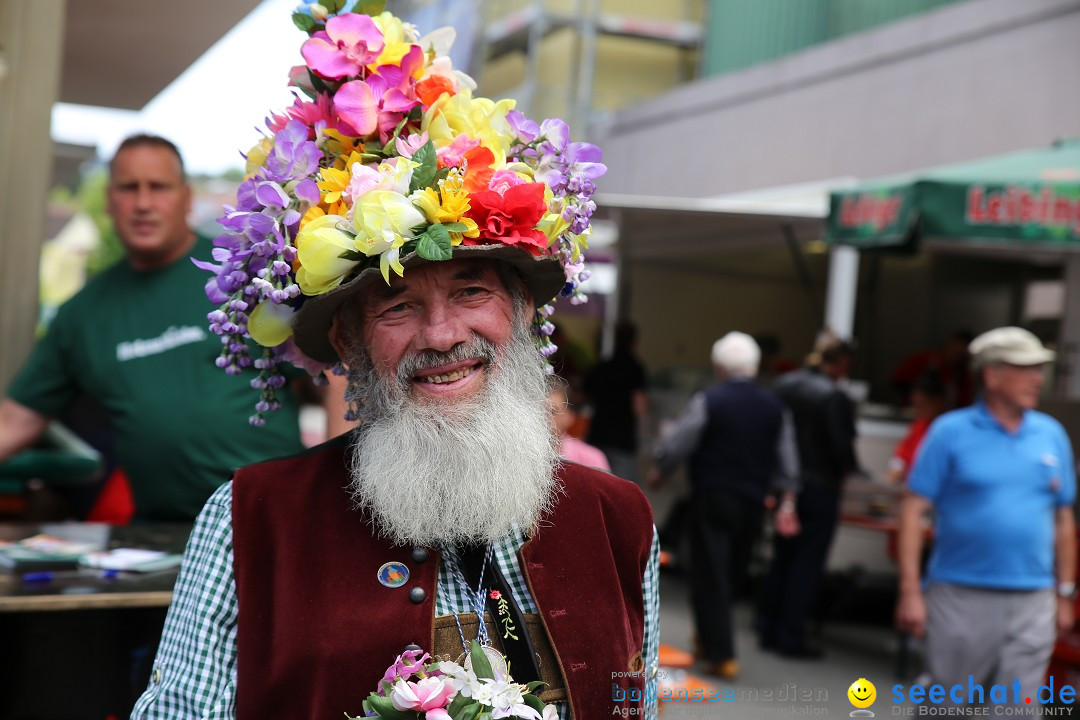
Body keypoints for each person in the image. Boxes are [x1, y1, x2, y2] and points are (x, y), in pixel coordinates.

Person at [131, 7, 658, 718]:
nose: (441, 335)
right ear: (348, 342)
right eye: (396, 305)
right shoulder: (248, 522)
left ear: (524, 314)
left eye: (470, 290)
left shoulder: (619, 521)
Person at [0, 135, 303, 521]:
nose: (143, 203)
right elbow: (15, 420)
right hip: (161, 535)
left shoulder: (248, 274)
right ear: (110, 201)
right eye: (129, 188)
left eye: (157, 187)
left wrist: (335, 488)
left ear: (186, 198)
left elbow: (328, 377)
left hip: (275, 521)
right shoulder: (82, 314)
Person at [895, 327, 1075, 705]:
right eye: (1025, 369)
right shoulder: (950, 432)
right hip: (961, 594)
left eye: (1040, 369)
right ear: (991, 375)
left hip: (1033, 598)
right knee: (948, 706)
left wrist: (1064, 593)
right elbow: (913, 510)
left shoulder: (1051, 434)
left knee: (1018, 710)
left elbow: (1063, 520)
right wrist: (911, 591)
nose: (1037, 379)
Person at [649, 332, 797, 679]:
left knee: (709, 572)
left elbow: (680, 441)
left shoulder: (710, 400)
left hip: (713, 497)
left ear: (719, 367)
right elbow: (787, 458)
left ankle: (721, 654)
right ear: (755, 366)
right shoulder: (775, 406)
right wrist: (786, 496)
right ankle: (708, 639)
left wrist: (662, 467)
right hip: (754, 503)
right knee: (731, 573)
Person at [757, 332, 860, 659]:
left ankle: (767, 625)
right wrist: (850, 471)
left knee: (781, 556)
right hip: (819, 487)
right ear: (841, 362)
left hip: (786, 485)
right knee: (807, 563)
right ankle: (792, 636)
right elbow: (840, 447)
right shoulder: (833, 397)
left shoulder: (784, 385)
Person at [584, 321, 648, 481]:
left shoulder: (602, 366)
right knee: (620, 496)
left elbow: (583, 395)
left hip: (598, 436)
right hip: (622, 442)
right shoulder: (636, 369)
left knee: (595, 486)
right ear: (634, 341)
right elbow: (639, 408)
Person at [886, 369, 946, 485]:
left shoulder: (947, 429)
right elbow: (902, 454)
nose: (918, 411)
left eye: (922, 405)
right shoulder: (919, 425)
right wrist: (897, 467)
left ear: (938, 401)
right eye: (916, 406)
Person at [548, 376, 610, 471]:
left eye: (552, 411)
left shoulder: (592, 460)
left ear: (569, 416)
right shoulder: (521, 456)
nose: (544, 418)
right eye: (539, 411)